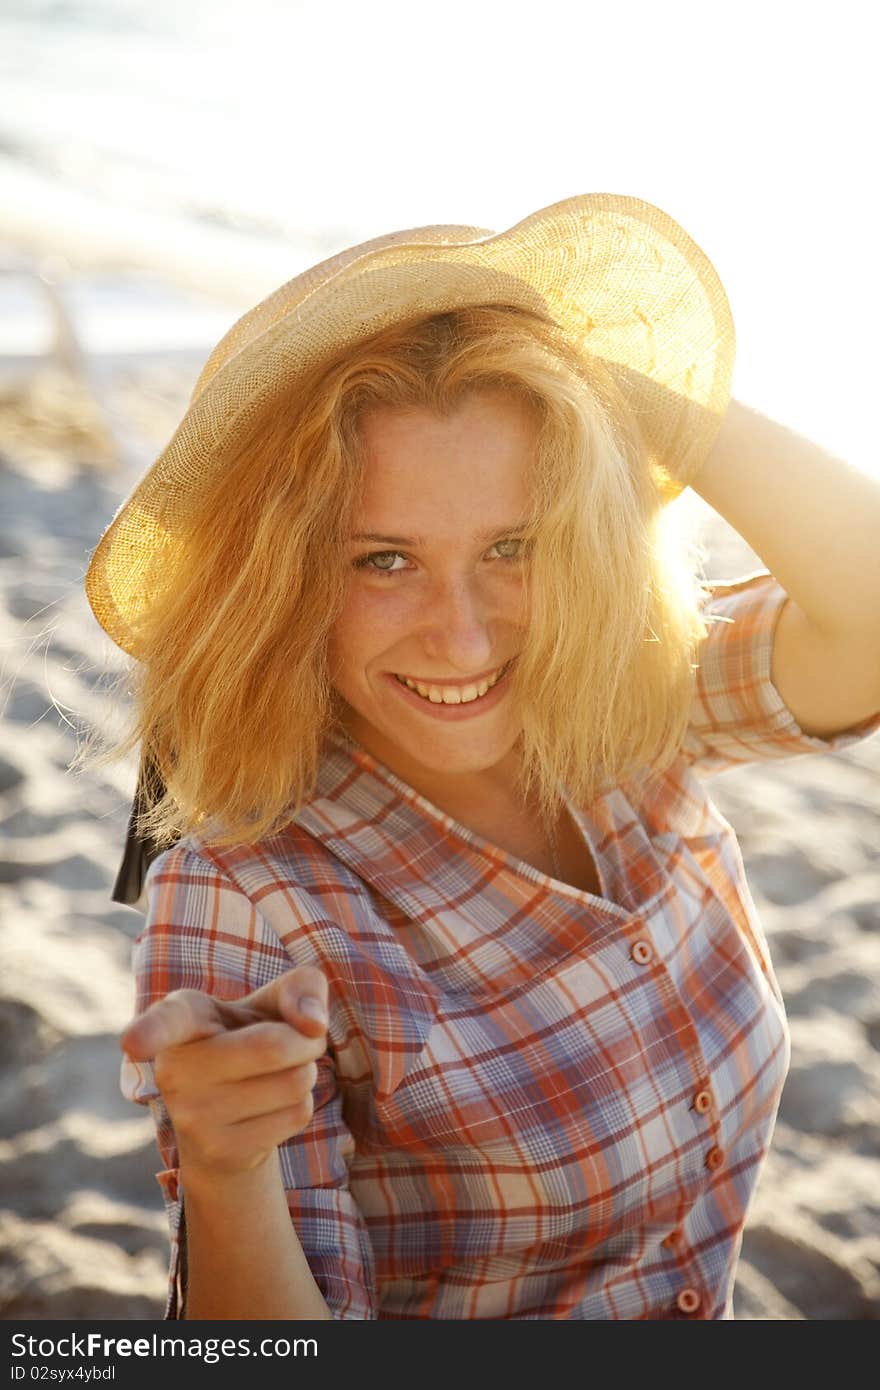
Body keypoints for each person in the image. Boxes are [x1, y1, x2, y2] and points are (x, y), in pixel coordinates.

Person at [82, 193, 880, 1320]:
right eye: (383, 562)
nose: (462, 637)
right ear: (289, 580)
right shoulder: (251, 897)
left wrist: (615, 390)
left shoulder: (616, 699)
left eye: (512, 545)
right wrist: (225, 1172)